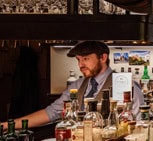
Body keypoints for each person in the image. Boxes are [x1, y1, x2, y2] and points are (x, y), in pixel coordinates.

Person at [1, 41, 145, 131]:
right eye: (78, 60)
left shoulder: (127, 84)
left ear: (103, 58)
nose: (80, 65)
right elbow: (51, 113)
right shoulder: (76, 86)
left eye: (86, 59)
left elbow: (140, 124)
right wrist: (6, 125)